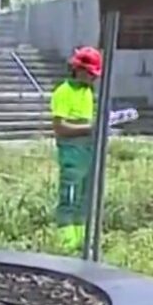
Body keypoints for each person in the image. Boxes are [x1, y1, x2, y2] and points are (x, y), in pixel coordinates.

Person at [50, 46, 102, 252]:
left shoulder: (88, 91)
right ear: (78, 70)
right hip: (71, 153)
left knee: (84, 199)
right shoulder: (63, 92)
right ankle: (66, 243)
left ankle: (82, 241)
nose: (93, 79)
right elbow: (60, 127)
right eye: (91, 74)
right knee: (69, 197)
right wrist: (90, 128)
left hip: (87, 152)